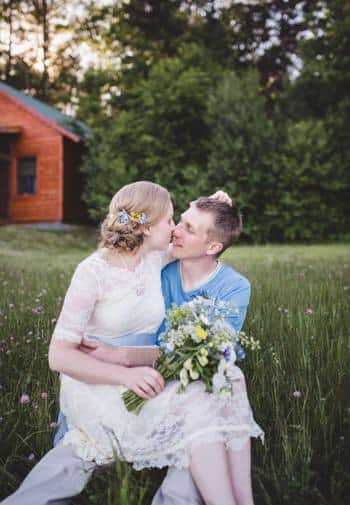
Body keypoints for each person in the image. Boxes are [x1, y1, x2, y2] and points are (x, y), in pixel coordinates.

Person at [1, 183, 262, 505]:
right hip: (102, 382)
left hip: (144, 372)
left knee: (227, 381)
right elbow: (58, 356)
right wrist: (125, 373)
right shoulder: (92, 272)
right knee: (204, 401)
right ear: (147, 227)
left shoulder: (154, 258)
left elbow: (205, 241)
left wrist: (220, 207)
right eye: (171, 220)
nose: (175, 229)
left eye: (180, 223)